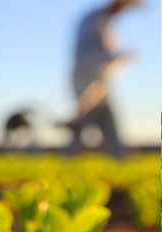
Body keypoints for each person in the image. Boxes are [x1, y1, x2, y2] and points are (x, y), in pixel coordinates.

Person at [65, 0, 140, 158]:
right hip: (86, 78)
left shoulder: (105, 21)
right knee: (86, 118)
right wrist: (119, 56)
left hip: (99, 80)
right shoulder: (94, 20)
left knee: (105, 118)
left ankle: (118, 156)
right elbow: (90, 51)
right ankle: (71, 156)